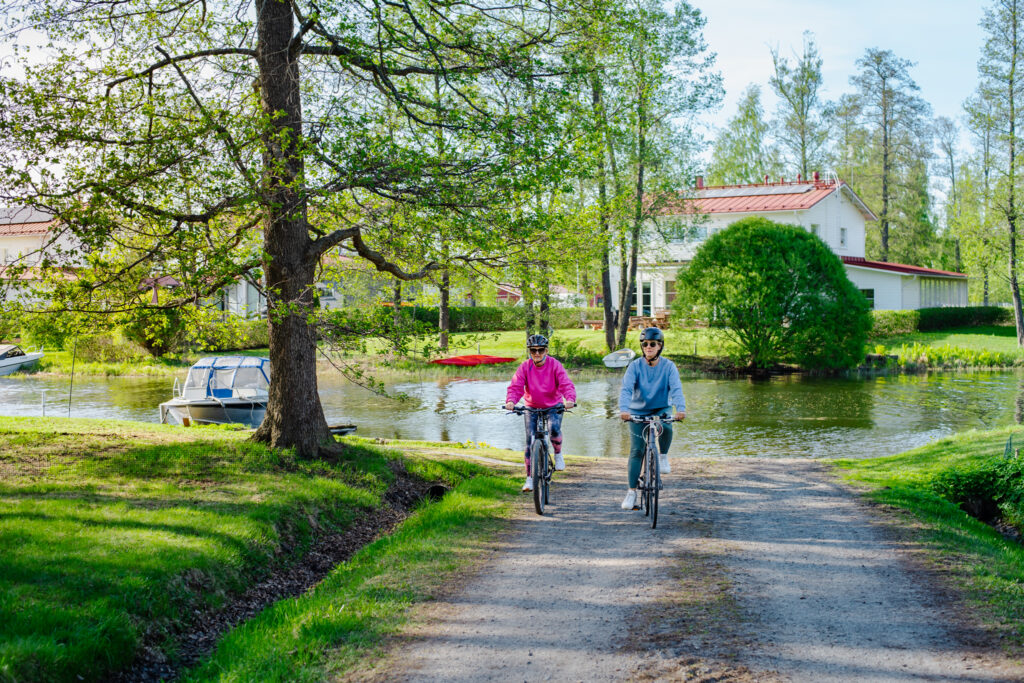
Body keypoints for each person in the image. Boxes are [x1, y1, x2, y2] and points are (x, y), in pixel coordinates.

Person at [618, 327, 686, 510]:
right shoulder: (634, 367)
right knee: (636, 451)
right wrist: (624, 410)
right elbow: (626, 389)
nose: (648, 347)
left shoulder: (669, 366)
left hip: (661, 407)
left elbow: (676, 388)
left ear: (660, 346)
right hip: (637, 411)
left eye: (652, 344)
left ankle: (663, 456)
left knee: (667, 426)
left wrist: (681, 409)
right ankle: (631, 492)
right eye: (645, 344)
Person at [505, 334, 577, 492]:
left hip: (554, 405)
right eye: (533, 350)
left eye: (540, 350)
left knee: (554, 429)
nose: (537, 353)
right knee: (530, 442)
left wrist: (569, 399)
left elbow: (566, 383)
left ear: (546, 351)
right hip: (531, 406)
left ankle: (558, 454)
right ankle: (529, 479)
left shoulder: (554, 365)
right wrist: (511, 401)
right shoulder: (525, 367)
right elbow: (516, 386)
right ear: (529, 352)